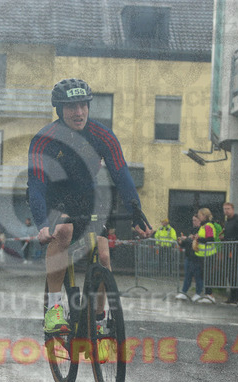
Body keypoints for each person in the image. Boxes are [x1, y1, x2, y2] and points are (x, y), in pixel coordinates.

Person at [27, 78, 152, 334]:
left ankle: (97, 318)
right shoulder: (45, 139)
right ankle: (54, 309)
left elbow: (121, 174)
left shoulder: (101, 135)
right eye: (71, 107)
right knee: (63, 231)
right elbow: (36, 185)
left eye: (83, 105)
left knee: (103, 256)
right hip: (55, 197)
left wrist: (135, 212)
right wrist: (42, 224)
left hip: (87, 197)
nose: (79, 112)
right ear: (59, 109)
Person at [175, 213, 204, 301]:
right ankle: (184, 292)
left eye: (195, 220)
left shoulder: (201, 230)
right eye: (193, 220)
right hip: (189, 256)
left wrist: (187, 239)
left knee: (198, 276)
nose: (193, 222)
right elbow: (188, 243)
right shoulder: (192, 230)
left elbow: (196, 241)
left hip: (197, 256)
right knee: (187, 275)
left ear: (200, 221)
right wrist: (181, 242)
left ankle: (198, 293)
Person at [194, 208, 218, 303]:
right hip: (203, 254)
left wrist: (199, 239)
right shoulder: (203, 226)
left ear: (204, 216)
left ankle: (210, 295)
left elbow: (210, 239)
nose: (198, 217)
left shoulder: (208, 226)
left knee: (207, 275)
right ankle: (207, 294)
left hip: (208, 254)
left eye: (199, 215)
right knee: (204, 275)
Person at [222, 202, 238, 304]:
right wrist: (224, 238)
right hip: (227, 249)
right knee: (229, 273)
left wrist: (229, 241)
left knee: (235, 273)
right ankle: (232, 296)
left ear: (233, 209)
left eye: (228, 209)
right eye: (225, 209)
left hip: (234, 250)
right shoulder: (227, 222)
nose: (226, 211)